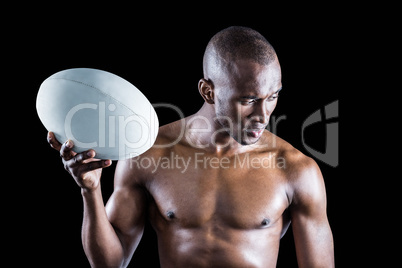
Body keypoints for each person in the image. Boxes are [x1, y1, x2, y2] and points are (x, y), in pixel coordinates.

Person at [47, 26, 334, 267]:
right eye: (248, 101)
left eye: (273, 96)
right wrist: (90, 190)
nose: (263, 114)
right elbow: (110, 262)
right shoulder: (151, 154)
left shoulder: (297, 170)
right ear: (208, 91)